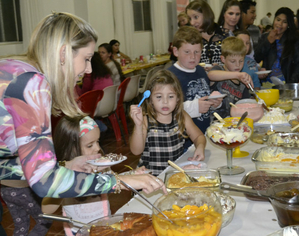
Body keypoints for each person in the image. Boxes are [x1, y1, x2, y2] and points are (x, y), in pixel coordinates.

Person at [0, 12, 165, 202]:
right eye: (86, 59)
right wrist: (120, 181)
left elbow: (8, 167)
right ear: (63, 53)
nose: (89, 69)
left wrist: (64, 166)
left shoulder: (17, 70)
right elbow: (44, 182)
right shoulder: (32, 83)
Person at [130, 70, 206, 176]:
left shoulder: (182, 117)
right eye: (159, 97)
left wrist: (200, 147)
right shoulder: (145, 120)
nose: (165, 102)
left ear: (178, 98)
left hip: (174, 175)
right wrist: (138, 126)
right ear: (150, 99)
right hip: (151, 179)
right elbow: (136, 151)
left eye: (170, 97)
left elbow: (199, 136)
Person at [167, 26, 222, 149]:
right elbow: (165, 111)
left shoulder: (200, 70)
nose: (193, 56)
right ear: (175, 51)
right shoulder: (169, 77)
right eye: (187, 52)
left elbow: (203, 98)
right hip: (183, 142)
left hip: (203, 136)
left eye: (197, 52)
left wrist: (214, 103)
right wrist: (195, 107)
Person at [254, 7, 299, 84]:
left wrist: (291, 84)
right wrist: (268, 41)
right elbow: (256, 58)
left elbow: (298, 65)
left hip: (286, 83)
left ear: (288, 25)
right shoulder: (265, 37)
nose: (280, 24)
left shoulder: (294, 40)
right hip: (266, 83)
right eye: (278, 20)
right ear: (274, 20)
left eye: (284, 22)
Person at [208, 37, 253, 118]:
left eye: (241, 61)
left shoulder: (243, 82)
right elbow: (211, 75)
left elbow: (245, 104)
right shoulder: (219, 70)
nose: (237, 65)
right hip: (215, 123)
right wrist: (237, 75)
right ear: (223, 59)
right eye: (233, 61)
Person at [186, 0, 228, 65]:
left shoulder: (225, 35)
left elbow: (235, 60)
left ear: (206, 15)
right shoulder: (189, 38)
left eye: (196, 17)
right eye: (190, 19)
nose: (192, 22)